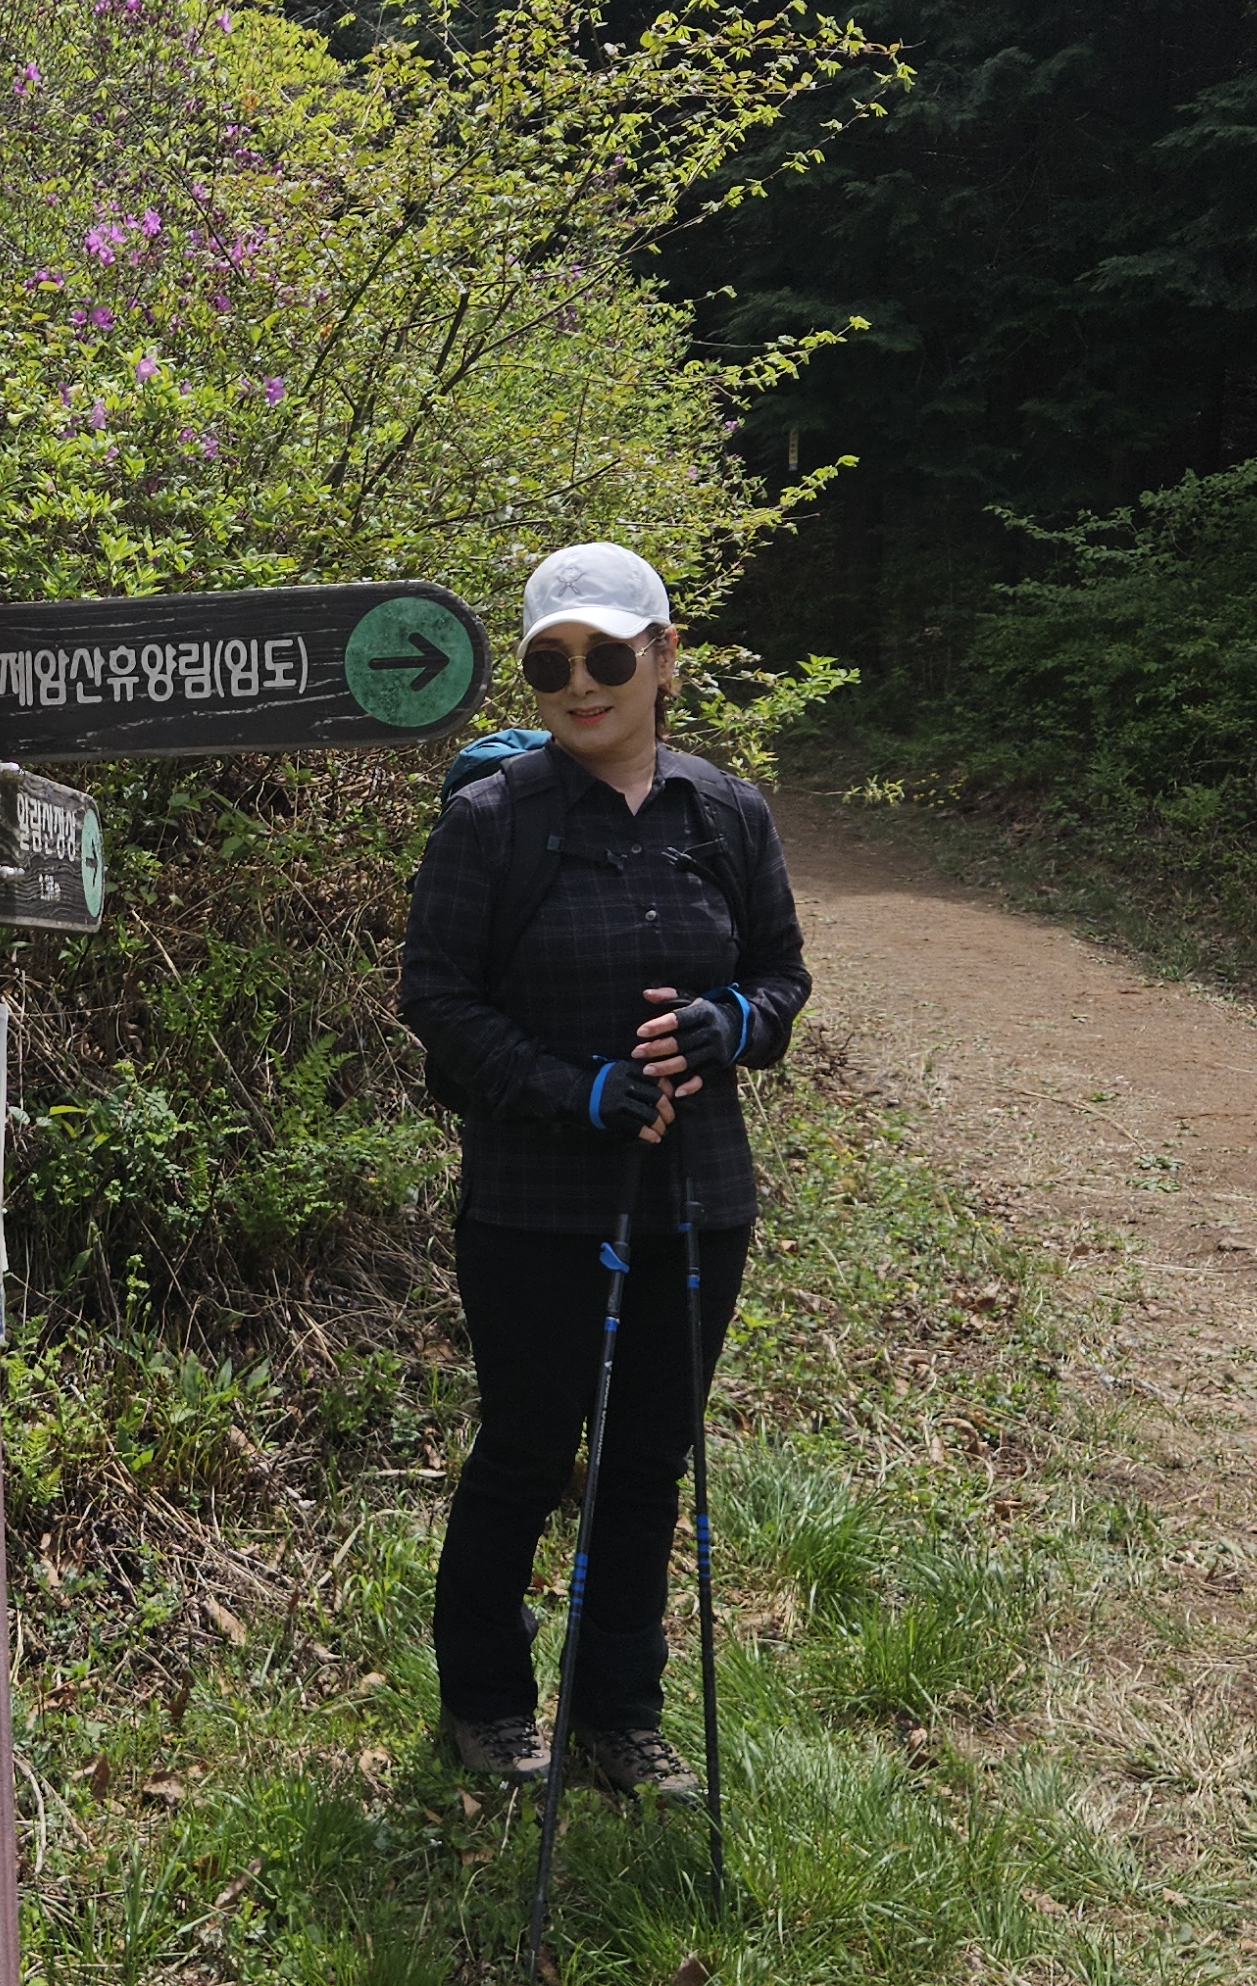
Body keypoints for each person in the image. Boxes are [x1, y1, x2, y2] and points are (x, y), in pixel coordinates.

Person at [398, 541, 812, 1796]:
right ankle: (485, 1701)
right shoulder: (490, 820)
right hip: (530, 1202)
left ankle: (616, 1716)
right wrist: (572, 1089)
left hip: (698, 1193)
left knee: (643, 1461)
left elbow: (782, 975)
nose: (580, 684)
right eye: (550, 663)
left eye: (607, 657)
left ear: (664, 656)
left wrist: (729, 1022)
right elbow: (436, 999)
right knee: (527, 1449)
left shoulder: (725, 812)